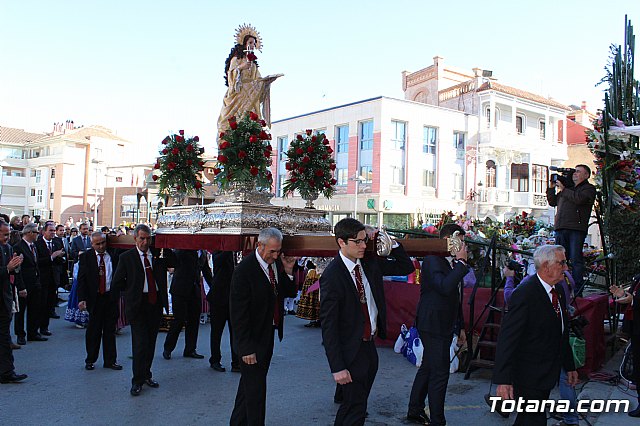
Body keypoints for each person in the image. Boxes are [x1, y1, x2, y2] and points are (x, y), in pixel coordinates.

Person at [320, 218, 414, 426]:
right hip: (350, 350)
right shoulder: (332, 276)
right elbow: (329, 326)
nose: (363, 246)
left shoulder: (369, 264)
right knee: (354, 406)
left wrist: (391, 242)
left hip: (369, 346)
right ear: (341, 242)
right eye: (357, 242)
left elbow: (405, 267)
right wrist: (337, 367)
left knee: (356, 404)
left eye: (364, 240)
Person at [493, 245, 578, 425]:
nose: (566, 268)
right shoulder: (525, 293)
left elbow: (561, 332)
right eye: (562, 263)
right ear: (546, 266)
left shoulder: (559, 291)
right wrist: (503, 380)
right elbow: (507, 339)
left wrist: (569, 366)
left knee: (530, 420)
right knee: (533, 420)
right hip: (528, 375)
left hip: (547, 373)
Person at [229, 227, 297, 425]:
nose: (275, 256)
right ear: (259, 246)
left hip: (267, 336)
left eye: (278, 251)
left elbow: (287, 292)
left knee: (248, 389)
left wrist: (289, 271)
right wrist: (246, 348)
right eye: (272, 251)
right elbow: (238, 315)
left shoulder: (274, 264)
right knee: (256, 394)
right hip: (251, 342)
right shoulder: (244, 271)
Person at [407, 224, 469, 425]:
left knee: (428, 367)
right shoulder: (433, 260)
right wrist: (460, 263)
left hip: (442, 322)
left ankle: (415, 409)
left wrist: (459, 326)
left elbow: (454, 296)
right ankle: (437, 420)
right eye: (461, 240)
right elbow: (445, 287)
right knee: (439, 373)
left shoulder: (448, 262)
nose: (465, 245)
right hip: (432, 324)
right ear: (451, 239)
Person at [112, 224, 176, 396]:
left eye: (148, 239)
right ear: (135, 239)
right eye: (142, 238)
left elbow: (173, 263)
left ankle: (147, 374)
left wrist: (163, 245)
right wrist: (131, 291)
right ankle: (137, 380)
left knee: (151, 343)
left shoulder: (158, 256)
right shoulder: (127, 258)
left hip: (154, 304)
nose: (145, 242)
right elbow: (117, 282)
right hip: (137, 306)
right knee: (140, 343)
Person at [217, 24, 281, 133]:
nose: (253, 45)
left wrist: (267, 82)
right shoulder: (236, 59)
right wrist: (241, 68)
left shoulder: (254, 66)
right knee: (233, 122)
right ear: (244, 43)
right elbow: (231, 74)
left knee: (249, 122)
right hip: (237, 96)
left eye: (254, 43)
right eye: (250, 42)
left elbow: (258, 81)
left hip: (250, 97)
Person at [546, 164, 596, 293]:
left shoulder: (588, 189)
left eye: (578, 172)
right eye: (574, 171)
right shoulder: (567, 189)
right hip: (561, 227)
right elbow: (553, 202)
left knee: (575, 259)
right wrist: (551, 188)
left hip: (576, 228)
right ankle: (559, 287)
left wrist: (564, 189)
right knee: (559, 259)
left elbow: (579, 200)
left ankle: (578, 290)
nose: (575, 173)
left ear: (586, 175)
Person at [76, 232, 122, 371]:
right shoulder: (86, 257)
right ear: (92, 244)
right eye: (98, 244)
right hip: (94, 298)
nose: (101, 246)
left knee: (109, 330)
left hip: (110, 297)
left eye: (103, 243)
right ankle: (90, 359)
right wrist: (82, 299)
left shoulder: (114, 255)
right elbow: (82, 280)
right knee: (94, 330)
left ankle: (110, 360)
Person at [162, 249, 213, 360]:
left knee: (194, 321)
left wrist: (214, 288)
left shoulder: (203, 253)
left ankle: (190, 349)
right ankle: (168, 348)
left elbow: (206, 271)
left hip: (194, 291)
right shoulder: (183, 250)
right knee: (179, 320)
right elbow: (173, 260)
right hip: (180, 290)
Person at [0, 221, 26, 383]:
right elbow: (6, 269)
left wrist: (16, 266)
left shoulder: (8, 248)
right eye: (4, 235)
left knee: (4, 338)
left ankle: (7, 371)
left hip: (5, 299)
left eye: (9, 234)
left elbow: (13, 272)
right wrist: (8, 268)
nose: (7, 238)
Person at [13, 223, 46, 344]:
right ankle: (20, 334)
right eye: (37, 232)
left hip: (35, 283)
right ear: (30, 233)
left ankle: (33, 332)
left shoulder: (34, 246)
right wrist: (21, 286)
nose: (38, 234)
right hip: (24, 284)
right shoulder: (18, 247)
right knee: (21, 311)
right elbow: (17, 269)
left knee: (35, 309)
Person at [207, 251, 240, 372]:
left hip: (233, 298)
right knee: (216, 332)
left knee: (235, 332)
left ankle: (236, 362)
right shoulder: (220, 252)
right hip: (219, 298)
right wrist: (229, 248)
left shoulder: (238, 254)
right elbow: (217, 261)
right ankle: (215, 360)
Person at [35, 222, 65, 333]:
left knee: (49, 304)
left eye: (53, 231)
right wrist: (52, 257)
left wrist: (60, 257)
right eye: (50, 231)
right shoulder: (38, 244)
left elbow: (61, 258)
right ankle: (36, 328)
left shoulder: (57, 242)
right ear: (44, 231)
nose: (52, 233)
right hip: (42, 278)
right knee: (41, 304)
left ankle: (44, 327)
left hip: (54, 277)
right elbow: (38, 261)